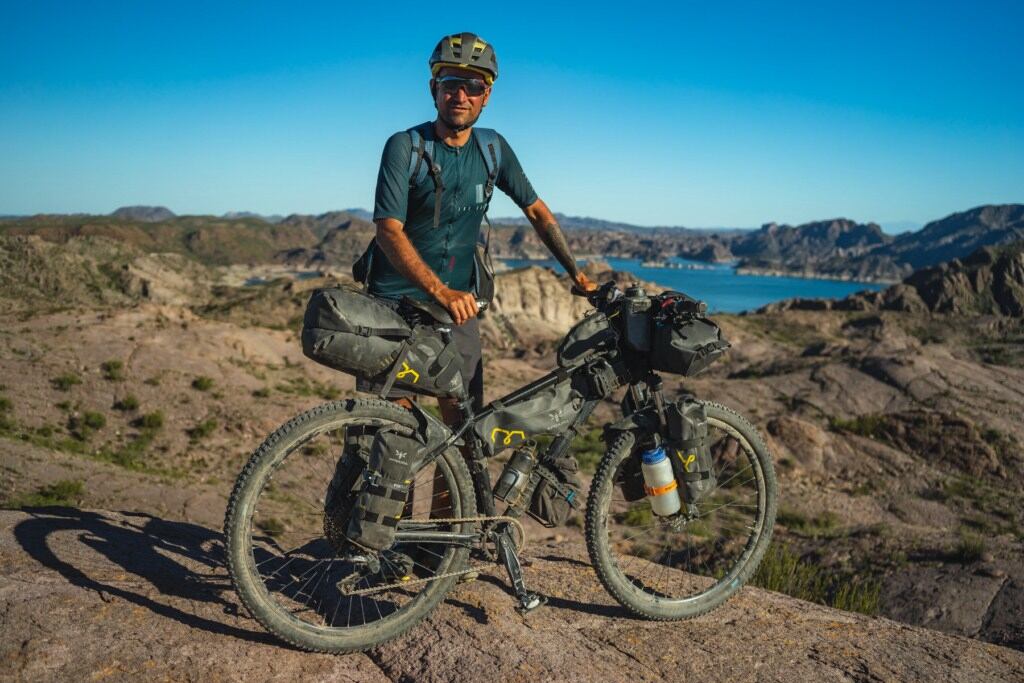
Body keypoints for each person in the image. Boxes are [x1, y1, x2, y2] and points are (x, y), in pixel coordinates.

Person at [358, 31, 596, 424]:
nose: (461, 95)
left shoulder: (492, 149)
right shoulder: (406, 146)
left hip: (457, 313)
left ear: (487, 95)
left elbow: (536, 210)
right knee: (385, 441)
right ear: (434, 88)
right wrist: (440, 290)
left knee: (463, 437)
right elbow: (388, 230)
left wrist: (578, 273)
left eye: (473, 86)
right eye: (451, 83)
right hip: (391, 307)